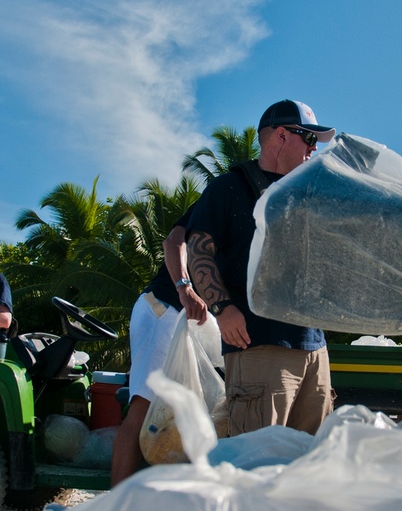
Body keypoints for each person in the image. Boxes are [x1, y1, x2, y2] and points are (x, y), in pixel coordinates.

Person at [187, 100, 336, 437]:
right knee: (255, 467)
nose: (314, 150)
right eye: (309, 139)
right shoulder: (229, 189)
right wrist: (222, 309)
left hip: (314, 347)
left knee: (310, 465)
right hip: (258, 346)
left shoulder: (306, 195)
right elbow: (198, 252)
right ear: (281, 135)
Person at [111, 206, 208, 485]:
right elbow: (173, 241)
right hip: (162, 309)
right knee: (143, 407)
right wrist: (184, 286)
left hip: (185, 322)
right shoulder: (223, 195)